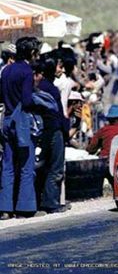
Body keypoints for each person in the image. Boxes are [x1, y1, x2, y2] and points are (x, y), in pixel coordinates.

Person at [0, 37, 40, 220]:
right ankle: (25, 208)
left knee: (7, 165)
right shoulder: (26, 71)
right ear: (31, 53)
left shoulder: (6, 70)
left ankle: (5, 208)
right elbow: (26, 100)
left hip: (7, 120)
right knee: (26, 164)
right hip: (22, 121)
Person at [35, 59, 69, 214]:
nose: (60, 69)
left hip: (41, 131)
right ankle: (51, 203)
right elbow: (58, 115)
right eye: (58, 66)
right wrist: (66, 131)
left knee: (41, 166)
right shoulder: (52, 89)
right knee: (55, 167)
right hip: (53, 131)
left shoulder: (38, 87)